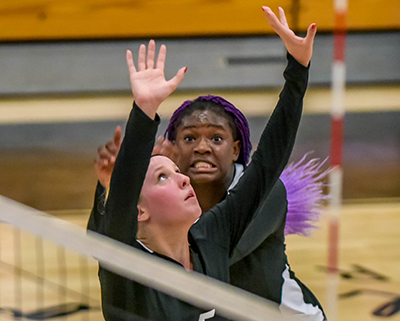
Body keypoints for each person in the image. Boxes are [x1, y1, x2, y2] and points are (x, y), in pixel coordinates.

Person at [89, 6, 326, 320]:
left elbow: (268, 163)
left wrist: (298, 70)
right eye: (163, 177)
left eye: (176, 172)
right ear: (139, 210)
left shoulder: (212, 240)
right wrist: (144, 112)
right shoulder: (128, 268)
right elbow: (117, 211)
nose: (184, 178)